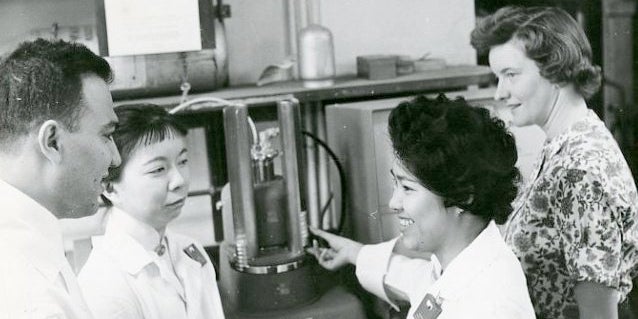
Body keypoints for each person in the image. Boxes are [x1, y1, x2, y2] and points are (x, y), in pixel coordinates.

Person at [471, 6, 638, 319]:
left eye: (510, 75)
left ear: (556, 69)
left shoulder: (582, 169)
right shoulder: (564, 143)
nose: (500, 92)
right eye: (498, 77)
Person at [310, 94, 535, 319]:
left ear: (464, 196)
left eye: (407, 188)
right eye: (395, 184)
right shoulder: (459, 264)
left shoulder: (492, 307)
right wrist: (353, 253)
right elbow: (412, 278)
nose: (393, 203)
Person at [0, 39, 121, 319]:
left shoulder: (31, 243)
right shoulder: (29, 291)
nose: (115, 158)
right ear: (52, 142)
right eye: (106, 135)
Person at [78, 103, 226, 319]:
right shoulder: (103, 284)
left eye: (182, 161)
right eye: (158, 169)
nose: (179, 181)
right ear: (110, 187)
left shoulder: (190, 250)